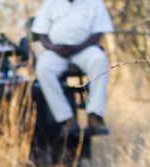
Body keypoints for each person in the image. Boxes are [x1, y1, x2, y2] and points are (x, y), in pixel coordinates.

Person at [30, 0, 114, 135]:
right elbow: (42, 35)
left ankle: (94, 116)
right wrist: (54, 47)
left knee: (99, 60)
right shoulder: (50, 4)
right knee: (43, 68)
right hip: (57, 51)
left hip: (85, 49)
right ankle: (66, 119)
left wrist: (79, 47)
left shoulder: (94, 3)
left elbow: (98, 32)